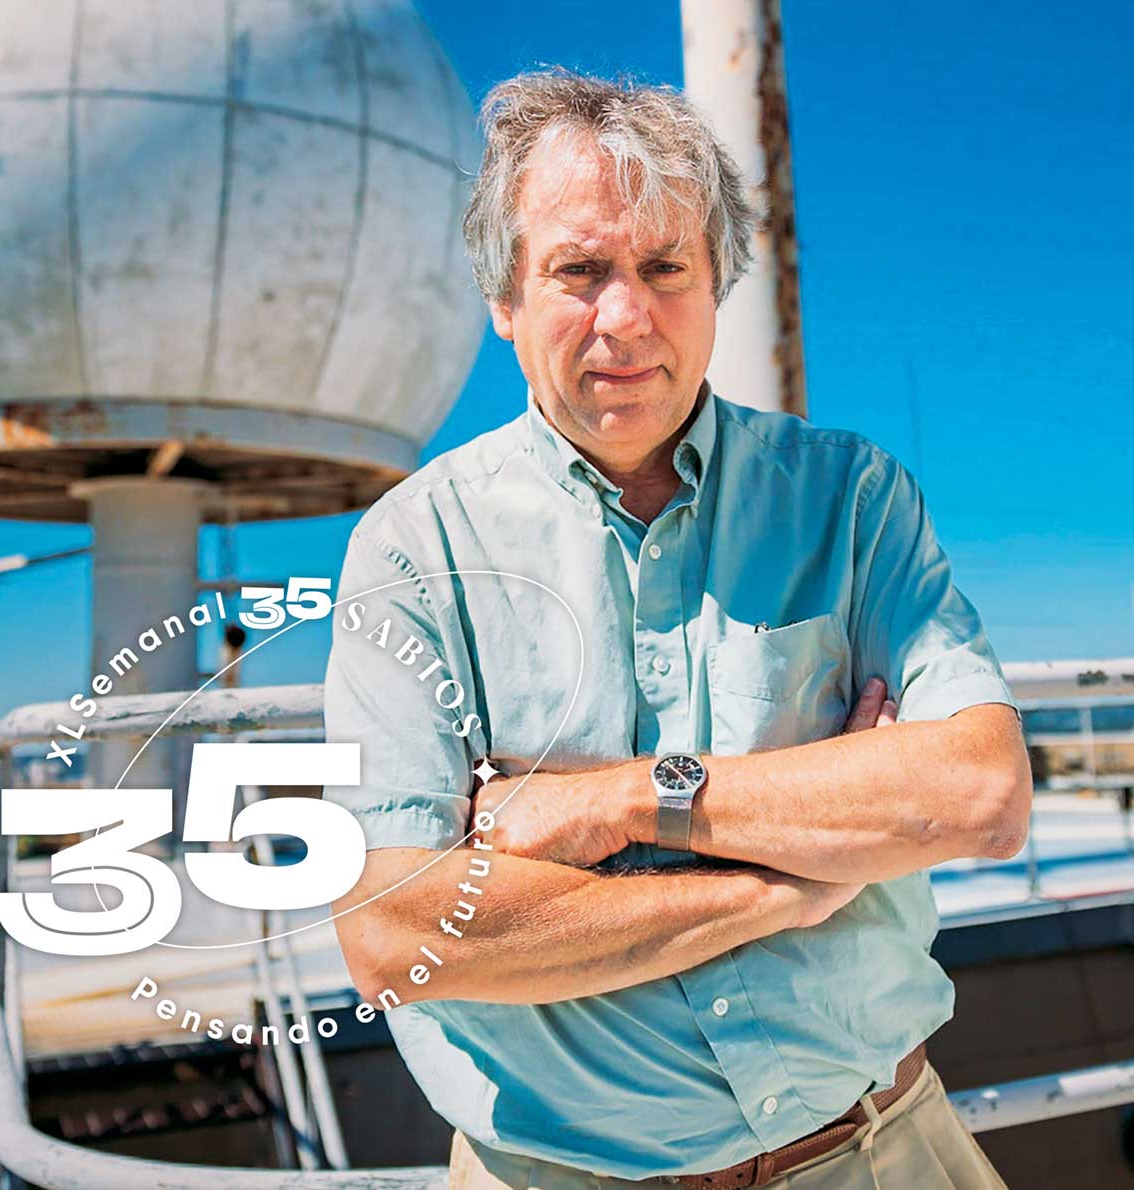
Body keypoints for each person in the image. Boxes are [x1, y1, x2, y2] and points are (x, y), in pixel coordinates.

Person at [322, 68, 1029, 1189]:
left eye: (665, 268)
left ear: (716, 283)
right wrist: (791, 882)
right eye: (579, 271)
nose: (626, 318)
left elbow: (981, 792)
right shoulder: (415, 552)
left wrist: (613, 800)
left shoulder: (847, 499)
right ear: (504, 297)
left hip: (882, 1147)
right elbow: (397, 932)